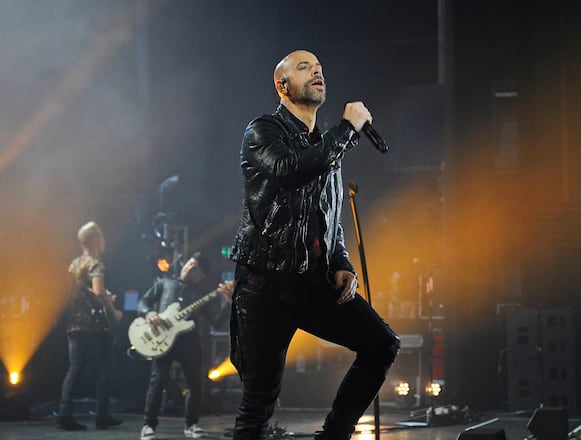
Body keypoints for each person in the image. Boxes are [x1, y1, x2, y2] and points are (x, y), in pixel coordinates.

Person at [227, 49, 401, 440]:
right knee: (257, 403)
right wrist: (347, 130)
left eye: (320, 67)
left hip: (312, 283)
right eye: (304, 67)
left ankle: (334, 435)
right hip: (265, 285)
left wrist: (341, 262)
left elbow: (330, 215)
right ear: (282, 85)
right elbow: (289, 171)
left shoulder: (326, 145)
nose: (317, 71)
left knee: (382, 345)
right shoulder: (263, 131)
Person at [137, 252, 233, 440]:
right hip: (163, 340)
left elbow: (216, 322)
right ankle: (148, 426)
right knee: (156, 382)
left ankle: (191, 424)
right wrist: (148, 313)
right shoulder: (165, 283)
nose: (189, 267)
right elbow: (143, 301)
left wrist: (228, 303)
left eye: (195, 267)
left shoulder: (201, 295)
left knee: (195, 385)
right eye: (189, 263)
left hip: (189, 342)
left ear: (201, 275)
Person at [56, 221, 123, 430]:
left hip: (74, 323)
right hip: (94, 325)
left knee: (75, 368)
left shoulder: (74, 263)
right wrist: (114, 312)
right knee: (106, 367)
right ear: (94, 240)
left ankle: (64, 414)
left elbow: (73, 293)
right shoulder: (96, 263)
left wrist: (103, 294)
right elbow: (97, 291)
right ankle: (102, 416)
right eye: (101, 237)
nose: (104, 241)